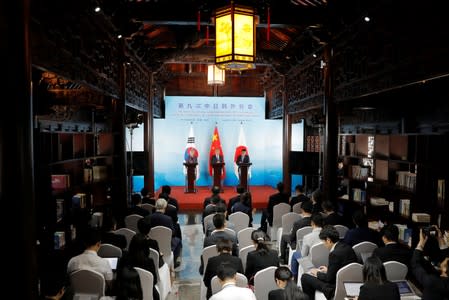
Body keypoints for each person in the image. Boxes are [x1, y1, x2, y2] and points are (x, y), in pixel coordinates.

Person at [300, 225, 358, 300]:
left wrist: (317, 273)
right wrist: (329, 270)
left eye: (323, 242)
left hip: (335, 288)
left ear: (328, 240)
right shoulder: (348, 247)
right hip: (350, 285)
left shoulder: (334, 254)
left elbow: (329, 279)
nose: (324, 245)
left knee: (305, 277)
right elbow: (344, 268)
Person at [410, 228, 449, 300]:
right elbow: (446, 256)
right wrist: (440, 238)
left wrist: (421, 243)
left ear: (445, 269)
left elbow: (415, 265)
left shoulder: (432, 281)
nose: (447, 258)